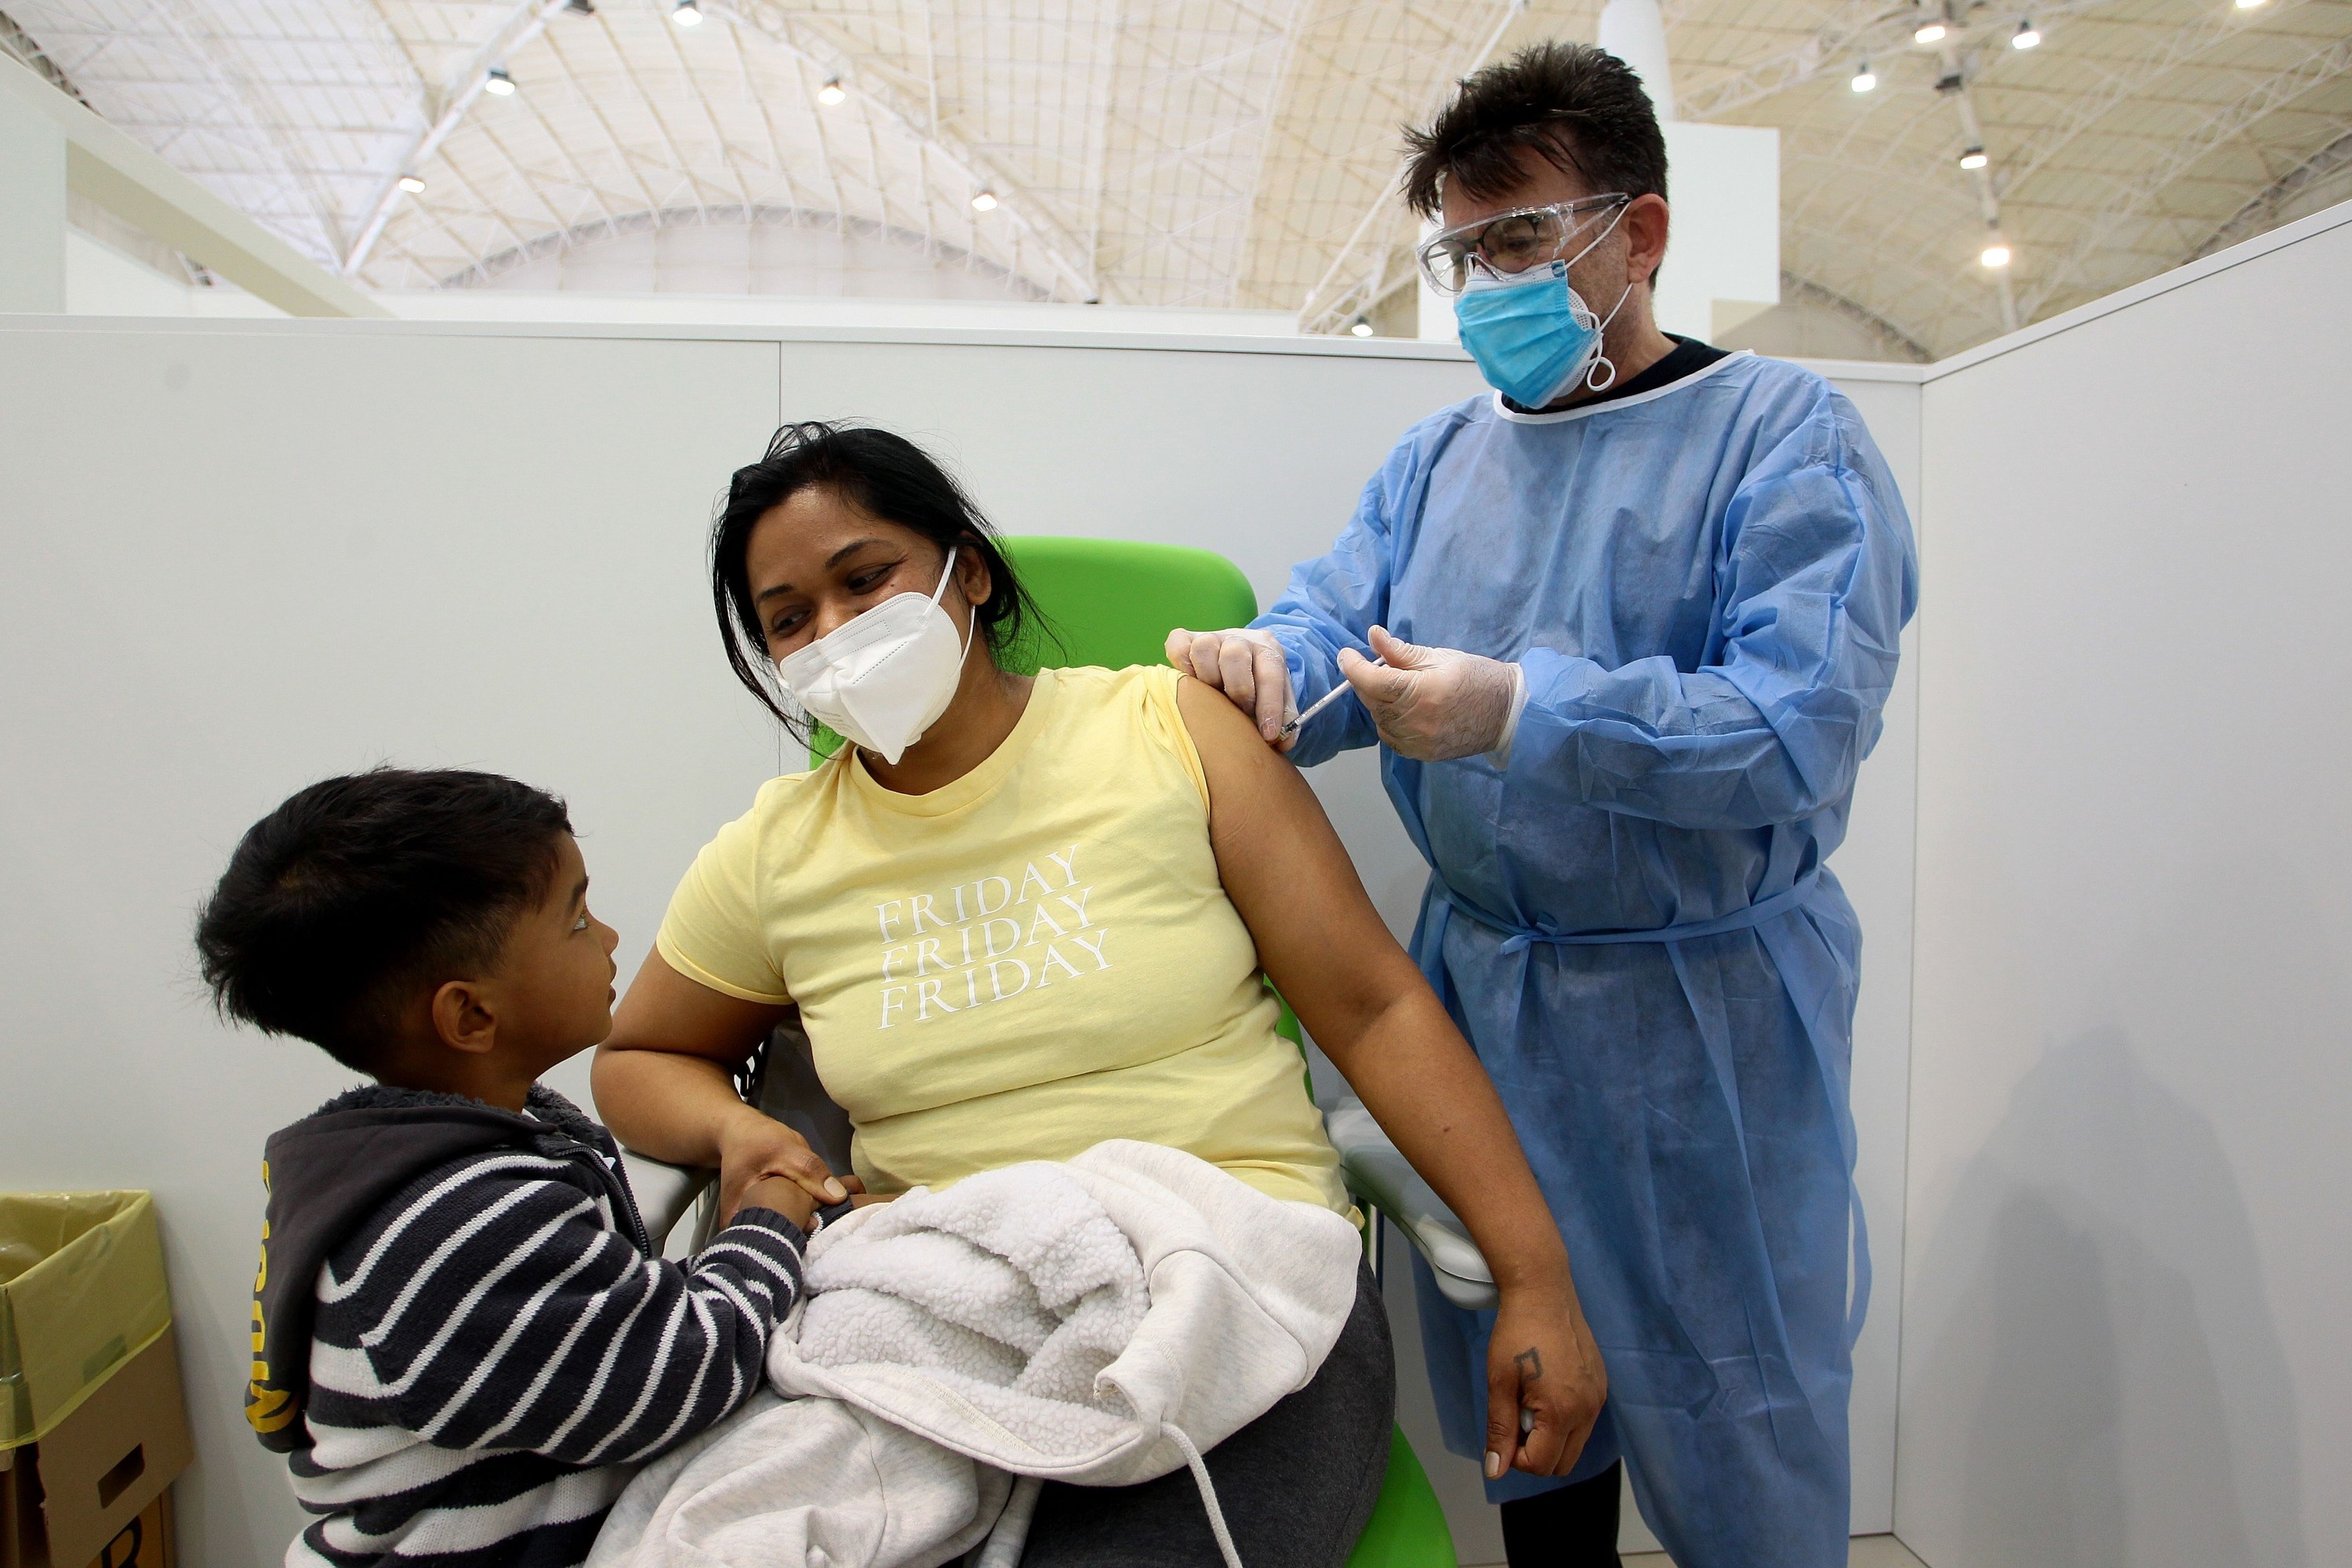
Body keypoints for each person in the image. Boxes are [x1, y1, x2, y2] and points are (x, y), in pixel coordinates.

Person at [590, 422, 1606, 1568]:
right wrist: (741, 1132)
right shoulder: (776, 854)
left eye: (865, 581)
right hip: (940, 1297)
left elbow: (1375, 1007)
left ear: (966, 571)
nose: (835, 633)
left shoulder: (1169, 730)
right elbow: (636, 1060)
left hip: (1231, 1275)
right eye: (789, 619)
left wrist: (1535, 1274)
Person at [1169, 42, 1918, 1568]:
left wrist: (1521, 712)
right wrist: (1264, 670)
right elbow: (1336, 634)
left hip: (1710, 1029)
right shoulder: (1441, 460)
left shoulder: (1783, 439)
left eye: (1519, 238)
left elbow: (1798, 730)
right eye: (1459, 250)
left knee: (1741, 1426)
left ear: (1637, 232)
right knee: (1532, 1427)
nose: (1482, 284)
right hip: (1487, 1009)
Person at [197, 769, 816, 1568]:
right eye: (576, 918)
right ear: (471, 1014)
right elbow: (680, 1371)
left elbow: (600, 1322)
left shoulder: (485, 1141)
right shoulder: (451, 1225)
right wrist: (767, 1221)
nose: (611, 938)